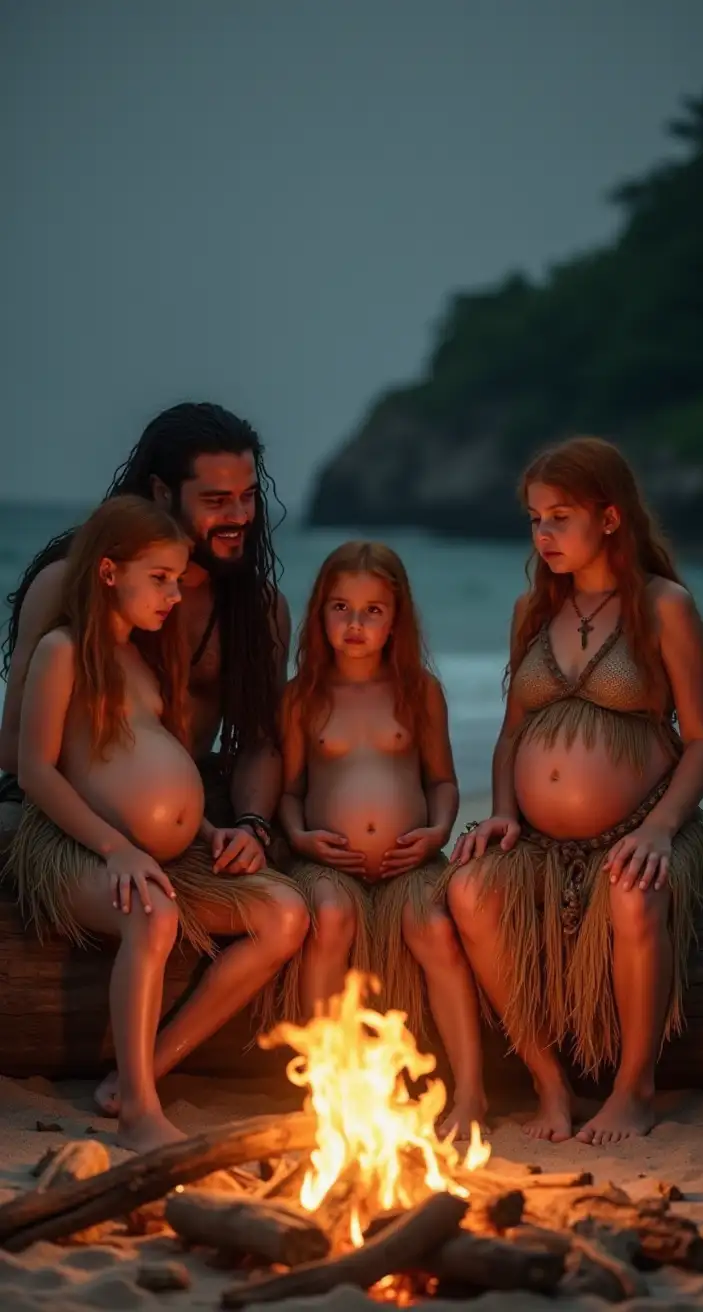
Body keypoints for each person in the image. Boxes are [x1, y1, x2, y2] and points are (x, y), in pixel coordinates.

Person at [4, 497, 308, 1153]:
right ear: (109, 571)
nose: (175, 594)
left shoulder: (142, 660)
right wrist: (114, 849)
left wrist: (208, 833)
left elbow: (151, 765)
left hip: (161, 852)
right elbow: (36, 772)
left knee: (286, 913)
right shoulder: (63, 651)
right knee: (154, 916)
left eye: (178, 579)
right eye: (161, 578)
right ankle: (141, 1110)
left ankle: (143, 1068)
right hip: (76, 843)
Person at [446, 437, 703, 1147]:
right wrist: (503, 813)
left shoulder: (666, 607)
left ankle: (634, 1089)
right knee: (470, 890)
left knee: (633, 890)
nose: (544, 535)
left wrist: (659, 829)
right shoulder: (532, 610)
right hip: (537, 838)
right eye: (536, 520)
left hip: (644, 821)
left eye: (559, 517)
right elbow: (512, 735)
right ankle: (548, 1082)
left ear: (608, 517)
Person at [0, 402, 290, 875]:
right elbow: (15, 747)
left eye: (249, 496)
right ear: (162, 493)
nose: (240, 516)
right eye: (216, 501)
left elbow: (261, 742)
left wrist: (252, 826)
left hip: (193, 812)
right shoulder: (68, 584)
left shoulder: (259, 610)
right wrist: (123, 809)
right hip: (73, 813)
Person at [276, 541, 487, 1137]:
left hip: (411, 861)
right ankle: (323, 1088)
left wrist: (437, 832)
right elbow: (289, 792)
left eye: (373, 610)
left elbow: (443, 781)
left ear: (397, 618)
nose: (355, 624)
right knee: (332, 916)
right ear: (319, 613)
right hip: (326, 864)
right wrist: (300, 837)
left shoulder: (419, 692)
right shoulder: (302, 696)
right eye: (340, 608)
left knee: (436, 929)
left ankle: (471, 1093)